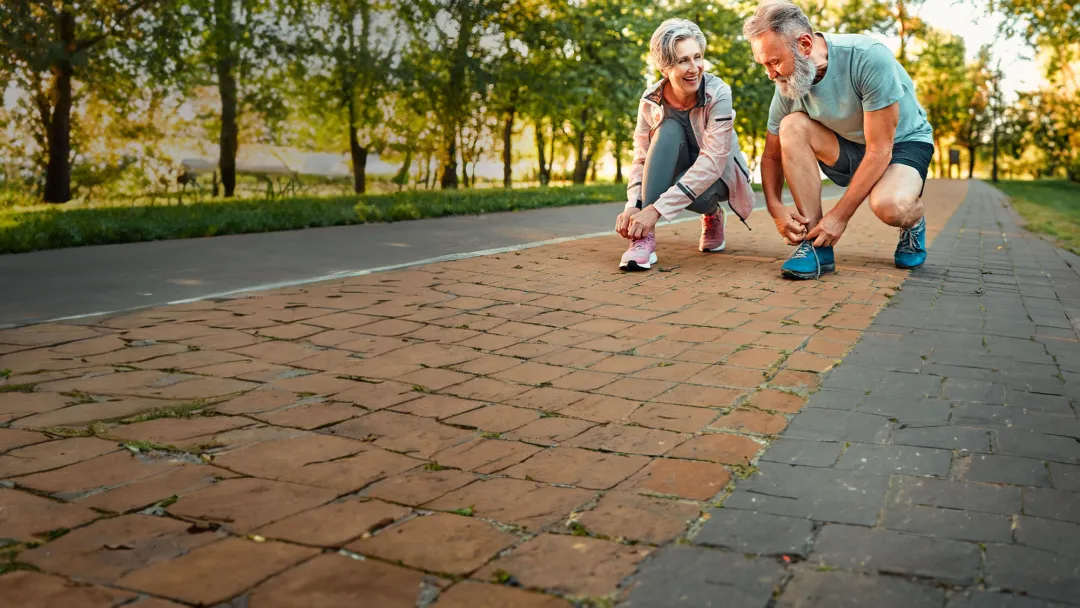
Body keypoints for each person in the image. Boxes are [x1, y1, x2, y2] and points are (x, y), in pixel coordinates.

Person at [742, 1, 935, 279]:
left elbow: (881, 150)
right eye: (765, 64)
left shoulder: (867, 57)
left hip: (901, 144)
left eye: (774, 62)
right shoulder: (787, 85)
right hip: (848, 145)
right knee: (792, 126)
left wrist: (839, 217)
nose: (770, 74)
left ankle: (913, 221)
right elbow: (771, 155)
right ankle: (816, 246)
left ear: (805, 44)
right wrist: (775, 207)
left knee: (890, 206)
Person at [615, 18, 755, 270]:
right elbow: (642, 158)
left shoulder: (718, 93)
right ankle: (643, 239)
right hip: (671, 173)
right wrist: (633, 206)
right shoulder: (650, 100)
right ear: (664, 68)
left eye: (697, 57)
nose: (694, 68)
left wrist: (654, 210)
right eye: (683, 60)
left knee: (699, 192)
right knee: (667, 129)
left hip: (717, 177)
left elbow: (712, 163)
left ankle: (712, 213)